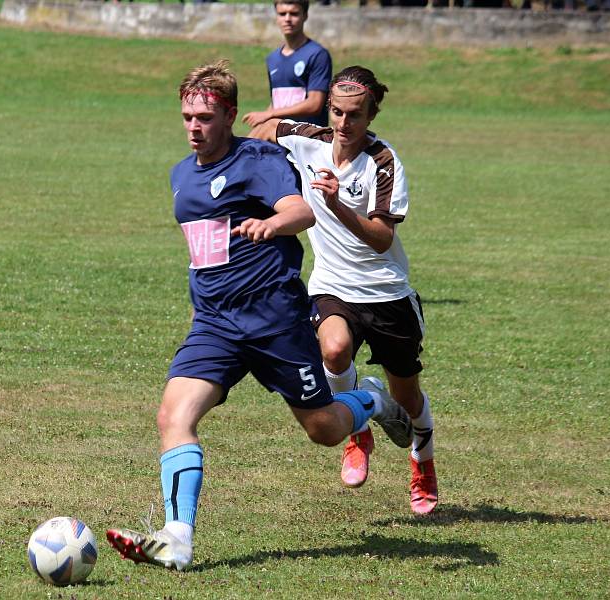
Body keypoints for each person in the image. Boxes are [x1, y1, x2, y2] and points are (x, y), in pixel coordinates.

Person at [106, 60, 412, 572]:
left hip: (275, 322)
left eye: (204, 117)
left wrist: (273, 225)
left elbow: (302, 210)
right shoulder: (181, 175)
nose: (193, 128)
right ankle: (178, 538)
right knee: (172, 417)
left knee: (323, 430)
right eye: (186, 117)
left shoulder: (260, 159)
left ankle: (372, 399)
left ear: (229, 115)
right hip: (215, 325)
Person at [261, 66, 438, 515]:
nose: (343, 124)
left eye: (354, 115)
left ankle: (423, 462)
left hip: (385, 293)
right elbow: (265, 130)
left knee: (407, 397)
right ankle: (358, 432)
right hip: (332, 286)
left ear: (371, 113)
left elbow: (381, 238)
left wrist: (336, 203)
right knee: (334, 352)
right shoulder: (308, 139)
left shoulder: (383, 162)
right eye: (337, 113)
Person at [243, 0, 332, 139]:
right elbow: (277, 102)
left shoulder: (317, 54)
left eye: (294, 14)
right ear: (276, 17)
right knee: (248, 144)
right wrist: (263, 118)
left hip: (307, 138)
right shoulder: (272, 59)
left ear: (305, 15)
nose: (288, 19)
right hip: (279, 134)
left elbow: (315, 104)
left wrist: (270, 115)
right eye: (282, 14)